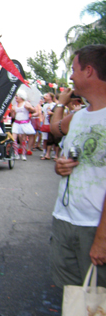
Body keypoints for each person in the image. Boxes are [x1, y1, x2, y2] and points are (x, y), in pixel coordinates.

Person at [49, 45, 106, 288]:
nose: (71, 76)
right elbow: (56, 130)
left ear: (89, 71)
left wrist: (102, 238)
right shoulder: (79, 116)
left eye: (74, 70)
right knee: (71, 300)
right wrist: (59, 166)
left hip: (95, 227)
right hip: (65, 220)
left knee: (98, 307)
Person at [9, 90, 36, 161]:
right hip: (16, 123)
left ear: (21, 97)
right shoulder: (15, 105)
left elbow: (34, 110)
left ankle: (23, 154)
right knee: (13, 138)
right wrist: (12, 112)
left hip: (24, 123)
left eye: (17, 96)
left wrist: (30, 108)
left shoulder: (26, 103)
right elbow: (13, 116)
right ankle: (16, 153)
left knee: (23, 139)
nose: (16, 97)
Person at [40, 92, 57, 160]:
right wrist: (42, 123)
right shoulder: (44, 105)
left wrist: (51, 113)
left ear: (50, 97)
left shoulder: (54, 105)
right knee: (44, 139)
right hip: (46, 123)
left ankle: (53, 153)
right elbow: (43, 114)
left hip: (52, 123)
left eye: (47, 96)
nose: (45, 97)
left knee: (52, 139)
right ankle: (44, 152)